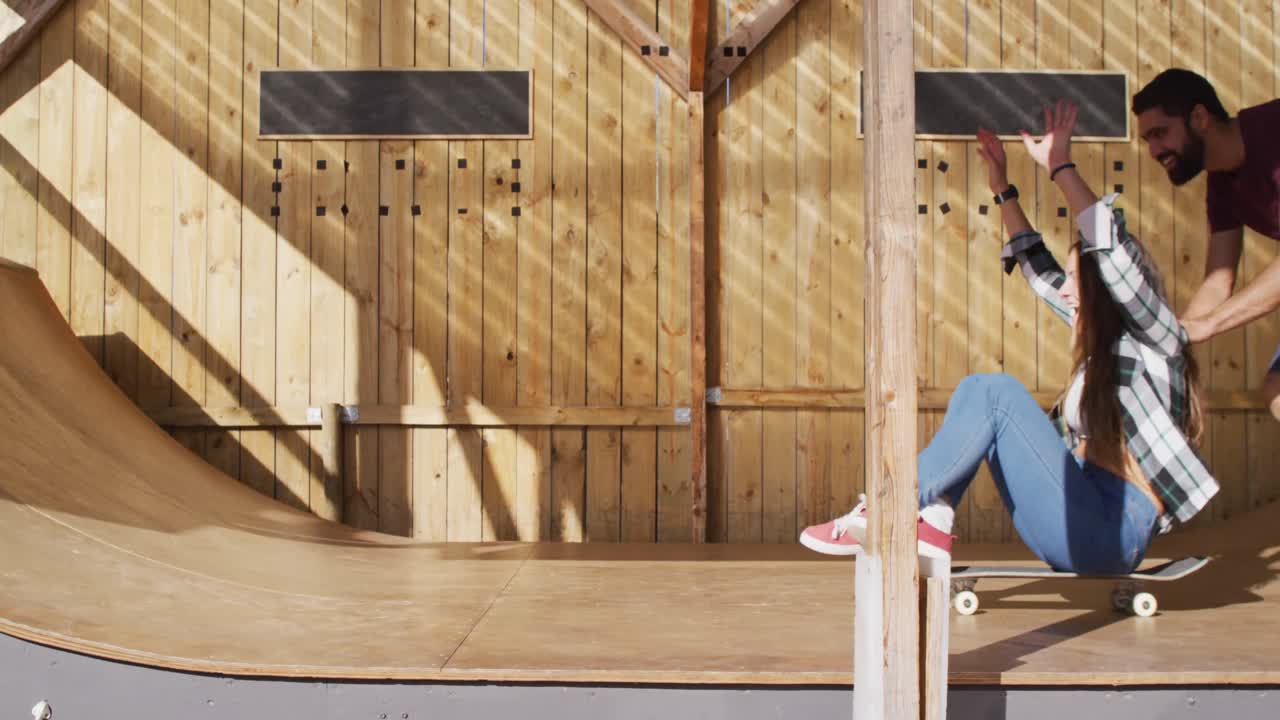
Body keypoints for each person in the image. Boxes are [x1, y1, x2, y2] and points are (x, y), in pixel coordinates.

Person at [799, 102, 1218, 576]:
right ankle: (932, 516)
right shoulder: (1101, 341)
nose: (1065, 290)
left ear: (1106, 289)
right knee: (977, 391)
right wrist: (1002, 189)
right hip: (1075, 514)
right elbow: (1040, 273)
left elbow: (1109, 246)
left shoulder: (1157, 337)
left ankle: (891, 505)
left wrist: (1060, 166)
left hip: (1112, 527)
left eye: (1076, 281)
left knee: (995, 394)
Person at [1132, 69, 1280, 416]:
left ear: (1199, 117)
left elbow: (1210, 318)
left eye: (1160, 133)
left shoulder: (1273, 130)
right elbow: (1218, 281)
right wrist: (1168, 340)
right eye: (1147, 140)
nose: (1154, 150)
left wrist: (1210, 324)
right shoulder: (1222, 184)